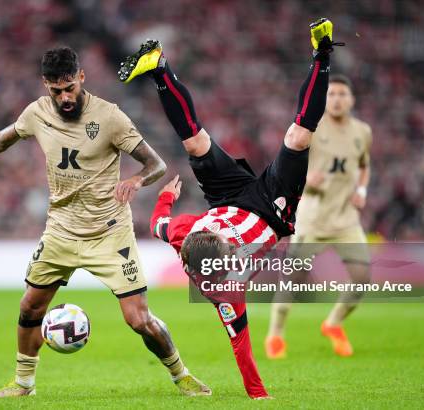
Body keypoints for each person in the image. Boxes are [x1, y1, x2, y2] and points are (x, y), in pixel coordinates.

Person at [0, 46, 210, 397]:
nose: (65, 96)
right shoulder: (37, 113)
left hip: (109, 232)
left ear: (81, 77)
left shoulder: (110, 117)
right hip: (61, 230)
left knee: (139, 319)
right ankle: (24, 384)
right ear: (45, 85)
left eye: (70, 87)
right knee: (30, 306)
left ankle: (182, 375)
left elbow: (156, 164)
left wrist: (136, 181)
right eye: (56, 90)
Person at [118, 18, 342, 399]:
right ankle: (322, 54)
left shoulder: (185, 235)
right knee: (298, 136)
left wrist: (166, 198)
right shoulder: (226, 291)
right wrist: (258, 394)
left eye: (210, 231)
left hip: (227, 197)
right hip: (272, 211)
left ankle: (158, 67)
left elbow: (160, 225)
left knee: (195, 143)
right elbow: (241, 347)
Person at [266, 75, 372, 359]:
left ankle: (333, 324)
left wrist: (361, 189)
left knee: (362, 279)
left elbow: (363, 165)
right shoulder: (311, 129)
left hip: (346, 219)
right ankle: (275, 333)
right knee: (294, 279)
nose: (337, 99)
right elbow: (287, 163)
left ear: (351, 100)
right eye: (332, 94)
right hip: (312, 217)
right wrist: (306, 179)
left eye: (342, 94)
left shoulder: (362, 132)